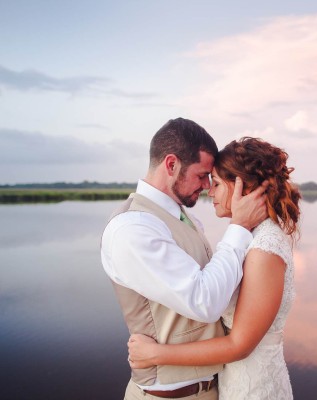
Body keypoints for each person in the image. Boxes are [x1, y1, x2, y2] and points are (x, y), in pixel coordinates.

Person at [101, 118, 268, 400]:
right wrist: (238, 227)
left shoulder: (180, 215)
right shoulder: (132, 228)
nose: (206, 186)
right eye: (202, 175)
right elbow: (205, 302)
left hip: (210, 387)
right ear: (171, 165)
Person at [128, 137, 302, 400]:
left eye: (218, 183)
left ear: (244, 187)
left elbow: (239, 345)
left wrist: (156, 354)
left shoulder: (265, 248)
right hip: (235, 380)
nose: (210, 191)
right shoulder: (251, 237)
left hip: (254, 388)